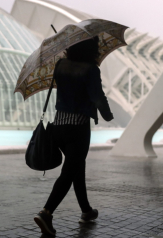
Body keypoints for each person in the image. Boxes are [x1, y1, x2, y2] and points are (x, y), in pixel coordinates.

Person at [33, 36, 114, 236]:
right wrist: (107, 115)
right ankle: (46, 212)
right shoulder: (91, 69)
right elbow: (97, 96)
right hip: (78, 127)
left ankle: (86, 211)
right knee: (69, 172)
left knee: (77, 166)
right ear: (91, 49)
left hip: (59, 126)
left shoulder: (60, 65)